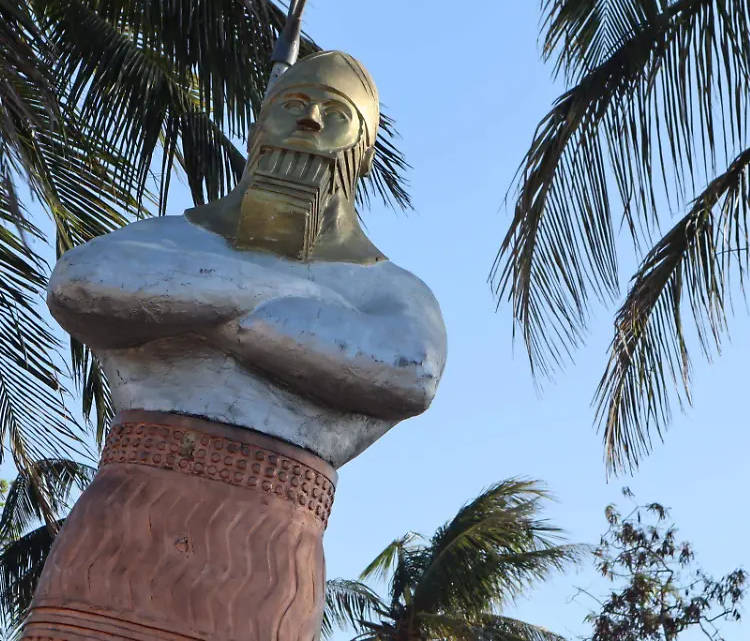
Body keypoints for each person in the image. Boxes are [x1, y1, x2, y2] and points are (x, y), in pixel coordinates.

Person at [25, 50, 447, 641]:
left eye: (336, 114)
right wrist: (274, 297)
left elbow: (409, 372)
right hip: (123, 524)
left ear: (362, 148)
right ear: (260, 123)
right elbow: (80, 285)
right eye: (293, 106)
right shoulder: (175, 237)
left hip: (269, 553)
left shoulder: (391, 288)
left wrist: (212, 311)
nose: (310, 123)